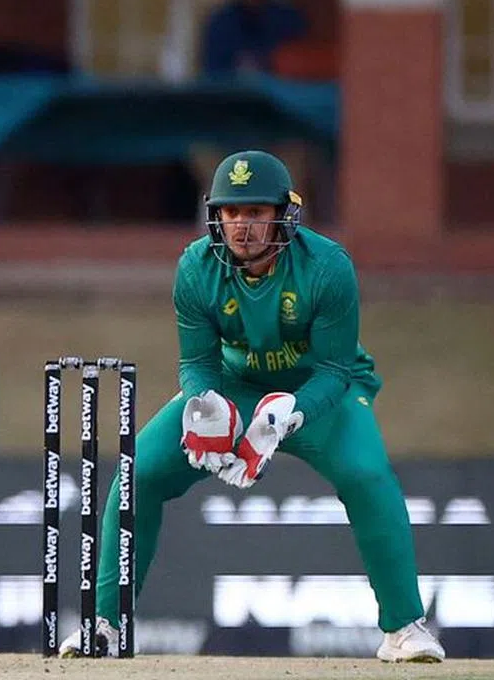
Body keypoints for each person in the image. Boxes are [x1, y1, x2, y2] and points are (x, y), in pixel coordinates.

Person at [58, 151, 446, 663]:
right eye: (231, 213)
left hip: (317, 391)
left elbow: (336, 369)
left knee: (367, 475)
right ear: (215, 215)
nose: (242, 227)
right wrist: (206, 404)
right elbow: (196, 361)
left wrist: (289, 413)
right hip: (236, 385)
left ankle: (404, 628)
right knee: (137, 473)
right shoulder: (196, 267)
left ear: (284, 214)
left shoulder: (328, 267)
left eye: (256, 212)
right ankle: (106, 625)